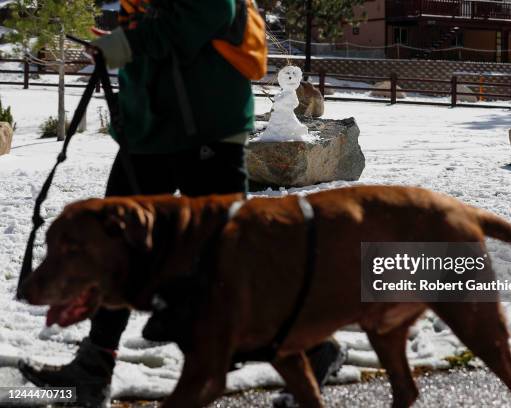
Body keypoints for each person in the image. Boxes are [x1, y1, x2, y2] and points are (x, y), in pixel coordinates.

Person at [18, 1, 345, 407]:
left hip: (206, 128)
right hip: (151, 130)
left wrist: (122, 45)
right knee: (112, 245)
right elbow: (157, 31)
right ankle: (94, 364)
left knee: (230, 254)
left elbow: (196, 20)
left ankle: (313, 348)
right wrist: (118, 48)